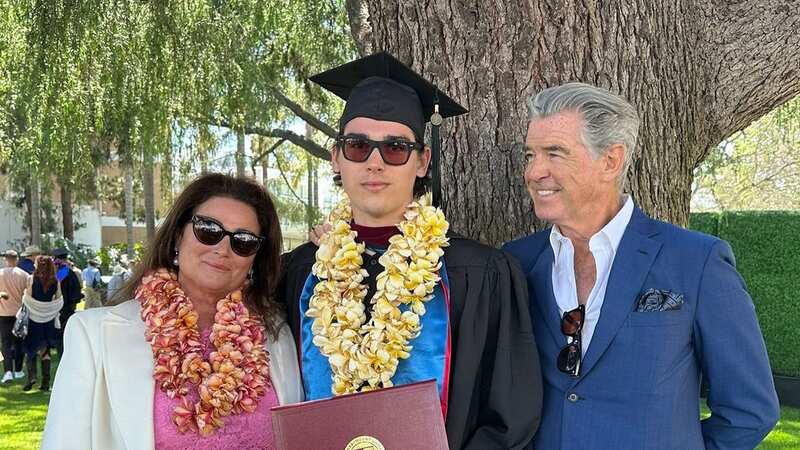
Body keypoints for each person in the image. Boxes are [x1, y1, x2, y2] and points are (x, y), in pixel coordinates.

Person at [279, 52, 542, 450]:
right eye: (356, 146)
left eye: (396, 148)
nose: (375, 162)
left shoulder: (480, 273)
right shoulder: (297, 272)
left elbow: (510, 419)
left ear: (422, 161)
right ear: (336, 158)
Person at [502, 82, 780, 449]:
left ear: (611, 160)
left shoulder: (695, 261)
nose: (534, 172)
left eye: (554, 153)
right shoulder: (516, 262)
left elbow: (750, 410)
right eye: (530, 155)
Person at [42, 173, 303, 450]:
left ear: (255, 258)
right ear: (178, 235)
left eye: (244, 241)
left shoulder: (275, 335)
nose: (222, 248)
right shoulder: (93, 336)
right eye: (208, 230)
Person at [21, 255, 63, 391]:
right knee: (45, 351)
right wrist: (48, 309)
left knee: (31, 348)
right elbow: (58, 299)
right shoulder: (55, 281)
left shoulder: (32, 279)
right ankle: (46, 382)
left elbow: (29, 298)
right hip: (48, 320)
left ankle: (32, 376)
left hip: (34, 319)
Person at [0, 249, 30, 383]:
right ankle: (18, 370)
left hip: (3, 313)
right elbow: (29, 293)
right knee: (19, 342)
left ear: (5, 259)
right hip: (19, 313)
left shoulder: (0, 274)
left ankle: (7, 371)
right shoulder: (24, 275)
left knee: (5, 343)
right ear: (17, 259)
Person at [51, 248, 84, 357]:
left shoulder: (62, 272)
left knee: (61, 333)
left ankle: (63, 354)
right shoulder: (69, 272)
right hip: (68, 306)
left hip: (62, 307)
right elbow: (77, 291)